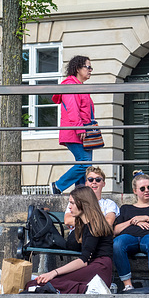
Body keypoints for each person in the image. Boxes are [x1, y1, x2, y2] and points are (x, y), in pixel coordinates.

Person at [25, 186, 113, 294]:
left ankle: (89, 289)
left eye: (72, 203)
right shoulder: (84, 224)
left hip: (99, 269)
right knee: (41, 282)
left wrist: (54, 272)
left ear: (83, 204)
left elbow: (83, 260)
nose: (69, 207)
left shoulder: (94, 225)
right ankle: (85, 289)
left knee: (49, 281)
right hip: (93, 266)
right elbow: (71, 245)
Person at [113, 171, 149, 292]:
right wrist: (133, 221)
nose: (147, 190)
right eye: (142, 188)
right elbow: (115, 230)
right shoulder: (126, 208)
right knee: (117, 243)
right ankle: (127, 286)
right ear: (135, 191)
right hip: (129, 237)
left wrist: (148, 218)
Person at [50, 55, 95, 194]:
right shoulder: (70, 85)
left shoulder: (79, 86)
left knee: (85, 164)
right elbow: (72, 108)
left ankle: (80, 193)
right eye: (88, 67)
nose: (90, 70)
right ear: (77, 69)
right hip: (76, 131)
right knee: (85, 162)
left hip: (83, 131)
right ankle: (58, 186)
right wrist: (79, 127)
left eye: (90, 67)